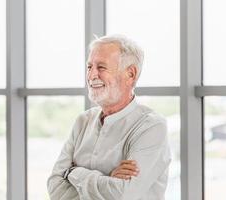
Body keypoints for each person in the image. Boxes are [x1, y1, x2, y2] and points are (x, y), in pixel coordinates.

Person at [47, 35, 171, 200]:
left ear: (131, 74)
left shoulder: (151, 127)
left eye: (101, 67)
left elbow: (123, 195)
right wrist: (107, 181)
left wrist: (73, 173)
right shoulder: (82, 121)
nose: (92, 75)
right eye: (89, 67)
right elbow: (54, 187)